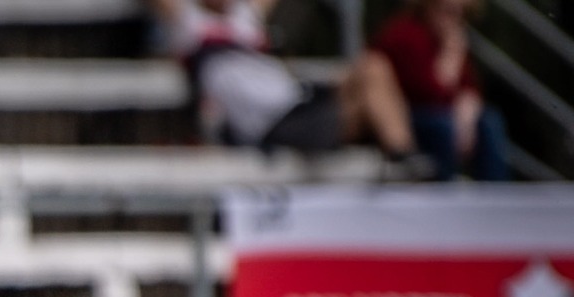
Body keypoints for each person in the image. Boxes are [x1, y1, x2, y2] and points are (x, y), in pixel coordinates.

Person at [153, 0, 419, 165]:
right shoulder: (187, 21)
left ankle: (402, 154)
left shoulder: (245, 15)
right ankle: (405, 164)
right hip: (272, 123)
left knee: (373, 67)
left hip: (297, 99)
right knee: (372, 90)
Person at [373, 0, 509, 181]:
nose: (455, 20)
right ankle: (444, 191)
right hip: (408, 115)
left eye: (461, 14)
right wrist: (450, 56)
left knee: (488, 121)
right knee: (443, 126)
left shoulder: (443, 39)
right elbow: (429, 94)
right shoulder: (406, 35)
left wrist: (467, 116)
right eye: (449, 12)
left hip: (441, 114)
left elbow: (469, 87)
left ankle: (495, 194)